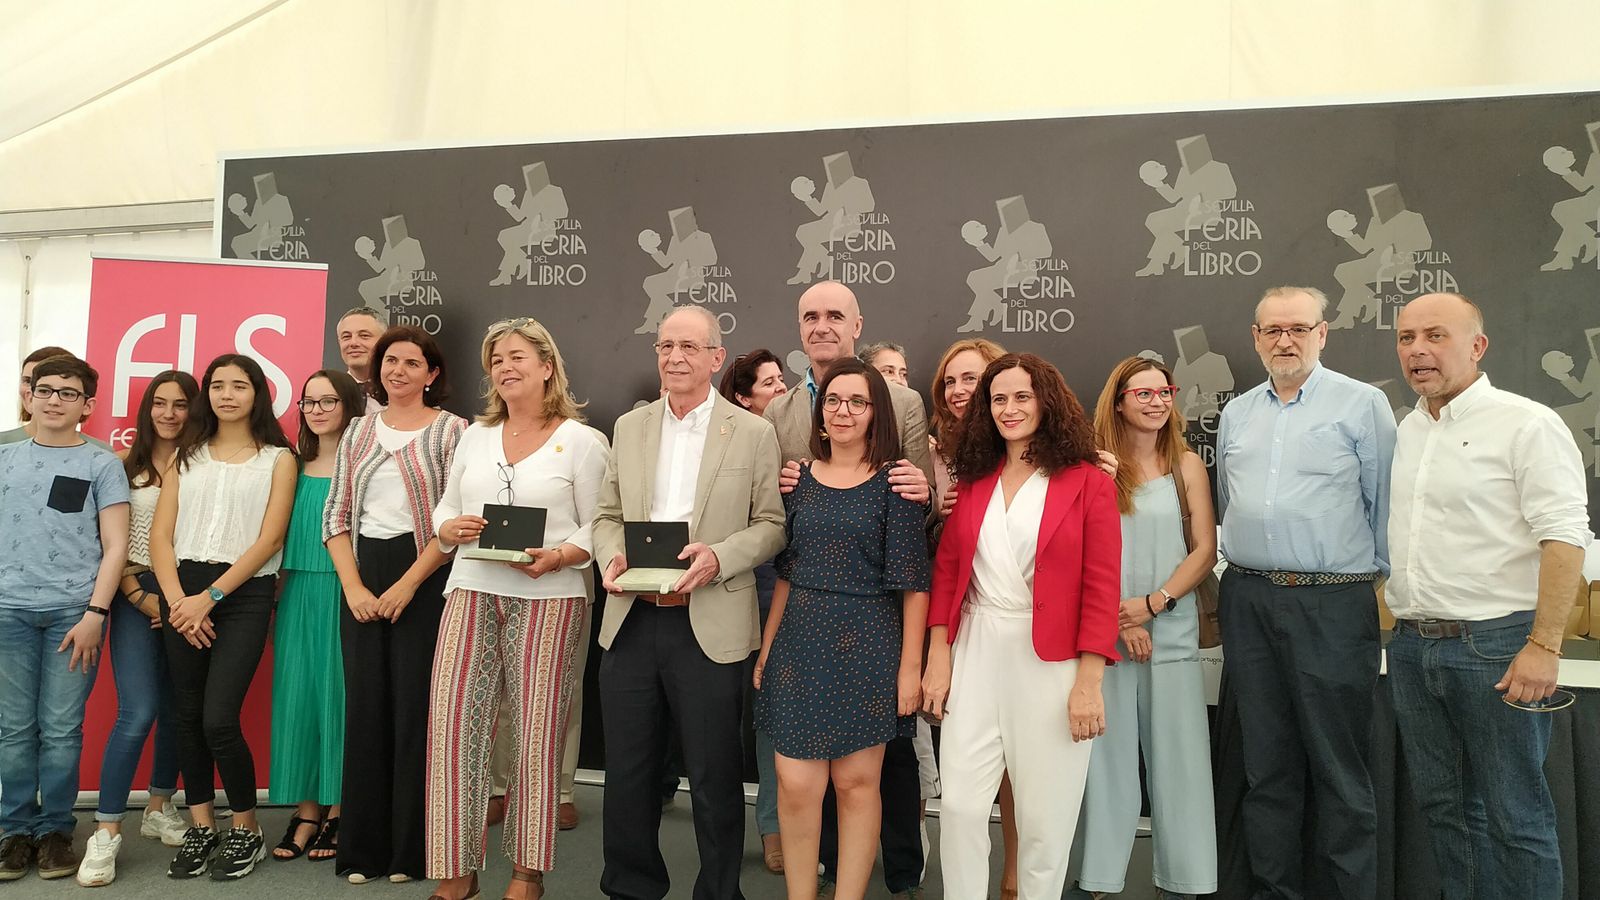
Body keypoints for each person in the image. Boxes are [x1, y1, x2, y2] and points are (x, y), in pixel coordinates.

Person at [1387, 293, 1589, 899]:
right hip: (1413, 647)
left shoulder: (1527, 423)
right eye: (1405, 338)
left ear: (1477, 347)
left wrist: (1543, 646)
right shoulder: (1410, 427)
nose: (1418, 349)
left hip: (1498, 647)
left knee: (1516, 819)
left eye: (1435, 336)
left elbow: (1564, 541)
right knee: (1448, 815)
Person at [593, 305, 785, 900]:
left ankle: (720, 891)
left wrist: (720, 557)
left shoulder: (752, 431)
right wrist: (609, 556)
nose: (675, 357)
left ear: (715, 358)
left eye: (688, 347)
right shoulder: (630, 427)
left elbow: (772, 525)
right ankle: (631, 887)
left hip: (709, 624)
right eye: (665, 346)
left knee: (714, 776)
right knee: (627, 774)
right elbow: (605, 517)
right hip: (632, 621)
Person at [1214, 285, 1395, 899]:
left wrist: (1367, 585)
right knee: (1266, 770)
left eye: (1298, 328)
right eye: (1272, 330)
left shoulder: (1363, 404)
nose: (1284, 340)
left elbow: (1386, 506)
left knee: (1340, 770)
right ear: (1256, 338)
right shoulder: (1237, 413)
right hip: (1249, 599)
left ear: (1323, 333)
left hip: (1333, 604)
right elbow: (1226, 505)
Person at [922, 352, 1119, 900]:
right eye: (998, 398)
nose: (1009, 409)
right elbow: (949, 572)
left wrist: (1089, 683)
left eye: (1022, 397)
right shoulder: (975, 480)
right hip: (977, 652)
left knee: (1044, 822)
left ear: (1047, 402)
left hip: (1053, 664)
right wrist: (939, 657)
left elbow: (1102, 590)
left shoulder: (1088, 483)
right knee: (959, 806)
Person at [427, 318, 610, 900]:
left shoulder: (583, 441)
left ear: (547, 366)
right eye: (496, 360)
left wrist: (558, 556)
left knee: (537, 731)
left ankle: (527, 873)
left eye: (517, 357)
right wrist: (448, 526)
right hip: (472, 586)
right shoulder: (474, 436)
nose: (506, 367)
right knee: (454, 726)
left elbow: (599, 526)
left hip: (549, 596)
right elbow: (444, 508)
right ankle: (457, 870)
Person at [763, 280, 931, 899]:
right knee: (797, 785)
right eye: (833, 400)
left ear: (876, 411)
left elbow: (914, 584)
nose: (842, 410)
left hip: (870, 643)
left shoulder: (899, 482)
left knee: (859, 787)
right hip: (801, 641)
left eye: (857, 402)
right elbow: (787, 568)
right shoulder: (796, 478)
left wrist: (909, 669)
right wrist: (767, 648)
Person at [323, 325, 465, 884]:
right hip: (360, 577)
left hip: (426, 579)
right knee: (365, 712)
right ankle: (361, 852)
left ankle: (412, 852)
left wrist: (408, 583)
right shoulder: (357, 431)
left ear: (432, 374)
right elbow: (334, 515)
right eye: (390, 361)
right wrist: (354, 588)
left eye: (411, 363)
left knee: (416, 714)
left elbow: (455, 521)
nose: (397, 371)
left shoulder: (454, 432)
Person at [1072, 356, 1218, 899]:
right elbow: (1079, 551)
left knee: (1181, 768)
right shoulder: (1094, 468)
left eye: (1165, 392)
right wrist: (1118, 615)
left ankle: (1187, 881)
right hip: (1102, 641)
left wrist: (1153, 605)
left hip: (1172, 635)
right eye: (1144, 393)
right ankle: (1099, 882)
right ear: (1119, 399)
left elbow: (1204, 550)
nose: (1157, 402)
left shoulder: (1186, 466)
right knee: (1104, 767)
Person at [149, 353, 297, 881]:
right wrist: (178, 602)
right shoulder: (186, 455)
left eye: (239, 385)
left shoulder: (278, 458)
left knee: (219, 719)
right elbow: (160, 536)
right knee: (187, 718)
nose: (226, 394)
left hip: (242, 595)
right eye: (216, 385)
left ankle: (246, 828)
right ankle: (201, 826)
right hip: (181, 594)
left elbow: (271, 539)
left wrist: (209, 597)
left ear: (258, 393)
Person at [0, 356, 129, 882]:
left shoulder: (101, 464)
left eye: (68, 393)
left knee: (60, 729)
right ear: (28, 394)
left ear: (87, 406)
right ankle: (13, 831)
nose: (54, 399)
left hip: (73, 617)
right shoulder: (4, 457)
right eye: (45, 389)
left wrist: (96, 612)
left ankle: (55, 831)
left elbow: (116, 546)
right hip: (7, 611)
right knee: (12, 729)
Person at [76, 371, 198, 886]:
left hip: (189, 597)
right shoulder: (121, 468)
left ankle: (159, 806)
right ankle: (105, 831)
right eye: (160, 404)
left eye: (180, 404)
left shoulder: (206, 463)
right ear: (147, 410)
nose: (169, 413)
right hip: (135, 595)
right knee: (139, 710)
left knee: (178, 709)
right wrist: (140, 596)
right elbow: (113, 543)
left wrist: (176, 601)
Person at [267, 370, 366, 862]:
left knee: (341, 697)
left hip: (346, 593)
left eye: (329, 400)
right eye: (309, 401)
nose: (318, 409)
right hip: (297, 590)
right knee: (300, 699)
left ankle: (342, 808)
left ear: (350, 405)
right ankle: (307, 811)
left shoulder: (364, 463)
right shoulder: (290, 463)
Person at [718, 348, 790, 874]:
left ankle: (773, 827)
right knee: (715, 718)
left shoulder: (796, 441)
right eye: (769, 383)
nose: (781, 389)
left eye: (781, 379)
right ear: (743, 399)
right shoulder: (724, 444)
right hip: (721, 594)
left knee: (769, 720)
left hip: (779, 598)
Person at [1, 346, 111, 448]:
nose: (53, 400)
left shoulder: (101, 455)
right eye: (27, 381)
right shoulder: (4, 447)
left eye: (66, 392)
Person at [336, 306, 388, 413]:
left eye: (364, 336)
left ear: (385, 341)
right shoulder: (329, 393)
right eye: (346, 337)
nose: (353, 343)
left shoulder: (402, 392)